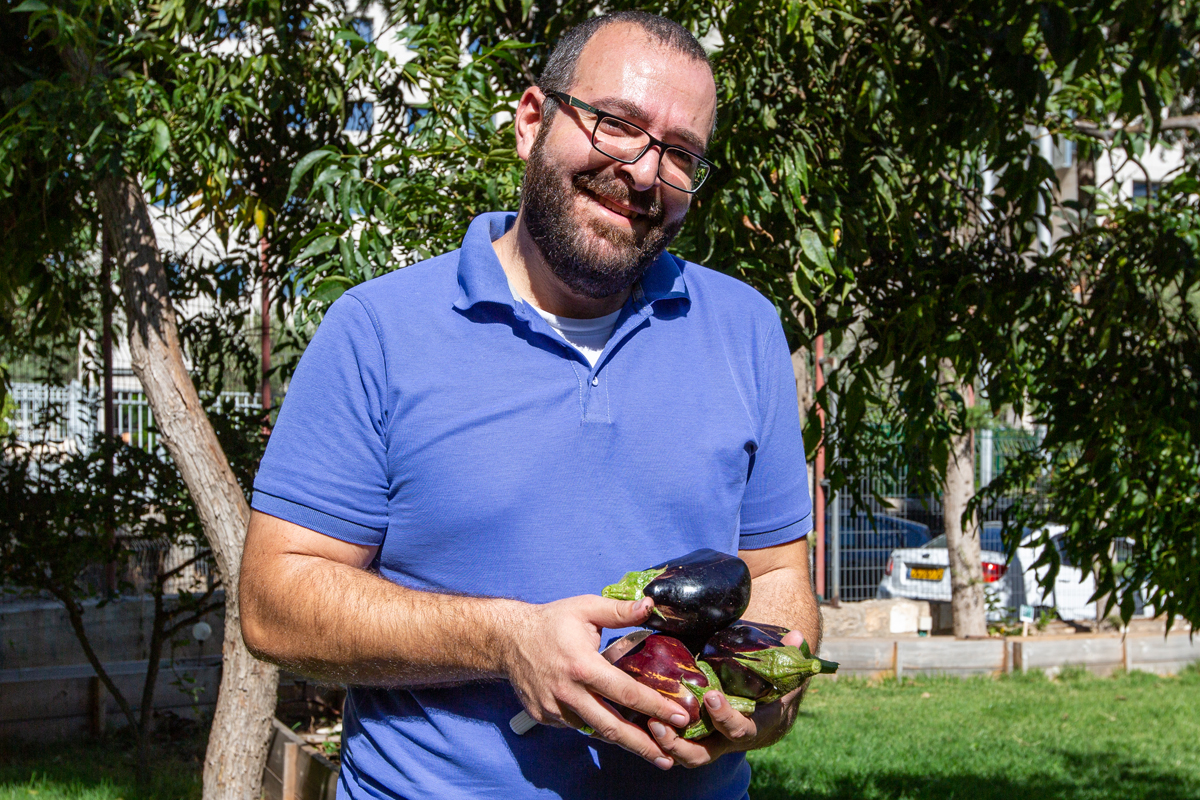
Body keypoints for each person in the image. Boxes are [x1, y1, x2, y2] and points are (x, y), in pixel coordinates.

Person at [240, 11, 820, 799]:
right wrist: (505, 641)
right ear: (531, 121)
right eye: (617, 124)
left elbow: (779, 573)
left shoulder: (744, 328)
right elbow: (275, 603)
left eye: (680, 153)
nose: (644, 173)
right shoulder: (378, 331)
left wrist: (770, 698)